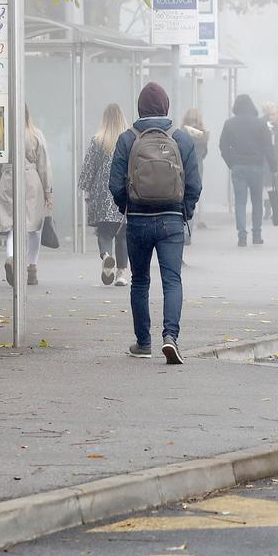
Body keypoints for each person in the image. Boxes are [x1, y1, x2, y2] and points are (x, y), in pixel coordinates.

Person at [109, 83, 202, 364]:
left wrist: (127, 207)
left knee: (139, 281)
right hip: (172, 220)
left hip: (137, 220)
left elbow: (115, 184)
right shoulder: (182, 139)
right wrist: (184, 211)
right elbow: (194, 184)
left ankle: (143, 342)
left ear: (139, 108)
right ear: (166, 107)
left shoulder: (127, 138)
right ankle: (170, 337)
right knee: (172, 280)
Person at [0, 107, 52, 287]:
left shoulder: (0, 134)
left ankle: (11, 258)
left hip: (8, 178)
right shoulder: (35, 134)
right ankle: (32, 268)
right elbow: (44, 164)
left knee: (12, 225)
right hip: (32, 179)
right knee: (34, 227)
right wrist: (48, 191)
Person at [79, 102, 130, 287]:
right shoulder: (129, 140)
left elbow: (88, 168)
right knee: (122, 234)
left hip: (102, 192)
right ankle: (122, 274)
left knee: (104, 233)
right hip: (123, 193)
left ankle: (107, 256)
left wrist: (86, 190)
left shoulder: (98, 140)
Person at [218, 94, 274, 247]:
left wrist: (231, 162)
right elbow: (268, 147)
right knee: (257, 201)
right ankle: (257, 235)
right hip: (257, 166)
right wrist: (273, 166)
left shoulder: (229, 123)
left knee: (240, 202)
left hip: (238, 167)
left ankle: (242, 236)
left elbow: (223, 146)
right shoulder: (261, 124)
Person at [180, 108, 209, 246]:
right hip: (197, 167)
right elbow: (204, 152)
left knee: (179, 197)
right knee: (191, 198)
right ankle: (188, 232)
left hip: (181, 166)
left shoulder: (180, 132)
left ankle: (181, 230)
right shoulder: (203, 134)